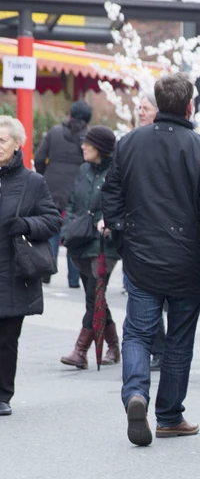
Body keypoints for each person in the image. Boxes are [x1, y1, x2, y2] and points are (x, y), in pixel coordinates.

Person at [102, 72, 200, 447]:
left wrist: (124, 237)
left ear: (158, 102)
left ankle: (136, 393)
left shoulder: (129, 143)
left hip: (142, 255)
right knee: (179, 339)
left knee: (138, 331)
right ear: (190, 106)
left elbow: (111, 197)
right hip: (189, 259)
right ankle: (170, 415)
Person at [0, 115, 62, 415]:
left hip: (15, 272)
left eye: (2, 141)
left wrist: (25, 223)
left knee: (7, 338)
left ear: (17, 145)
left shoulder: (33, 183)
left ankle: (2, 395)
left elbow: (52, 220)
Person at [59, 126, 121, 369]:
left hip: (104, 246)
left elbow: (121, 204)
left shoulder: (116, 173)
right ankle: (114, 346)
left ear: (102, 149)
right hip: (81, 241)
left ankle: (81, 350)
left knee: (93, 296)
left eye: (89, 144)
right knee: (96, 297)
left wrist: (110, 221)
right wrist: (66, 229)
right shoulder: (83, 170)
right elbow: (72, 202)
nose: (83, 146)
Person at [34, 100, 91, 288]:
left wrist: (44, 176)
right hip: (76, 191)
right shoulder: (88, 138)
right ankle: (73, 280)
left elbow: (40, 158)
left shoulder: (54, 133)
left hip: (51, 189)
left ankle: (46, 272)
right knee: (73, 235)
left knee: (51, 230)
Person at [135, 92, 167, 369]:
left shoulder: (173, 142)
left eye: (145, 108)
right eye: (139, 108)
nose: (140, 112)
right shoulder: (132, 143)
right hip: (142, 236)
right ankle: (157, 349)